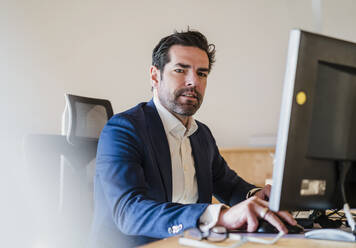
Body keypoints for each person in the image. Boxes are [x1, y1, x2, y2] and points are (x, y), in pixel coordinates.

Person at [88, 29, 296, 247]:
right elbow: (129, 213)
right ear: (154, 75)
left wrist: (257, 195)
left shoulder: (201, 134)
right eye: (180, 70)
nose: (193, 82)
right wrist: (219, 216)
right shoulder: (123, 129)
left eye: (202, 74)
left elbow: (230, 186)